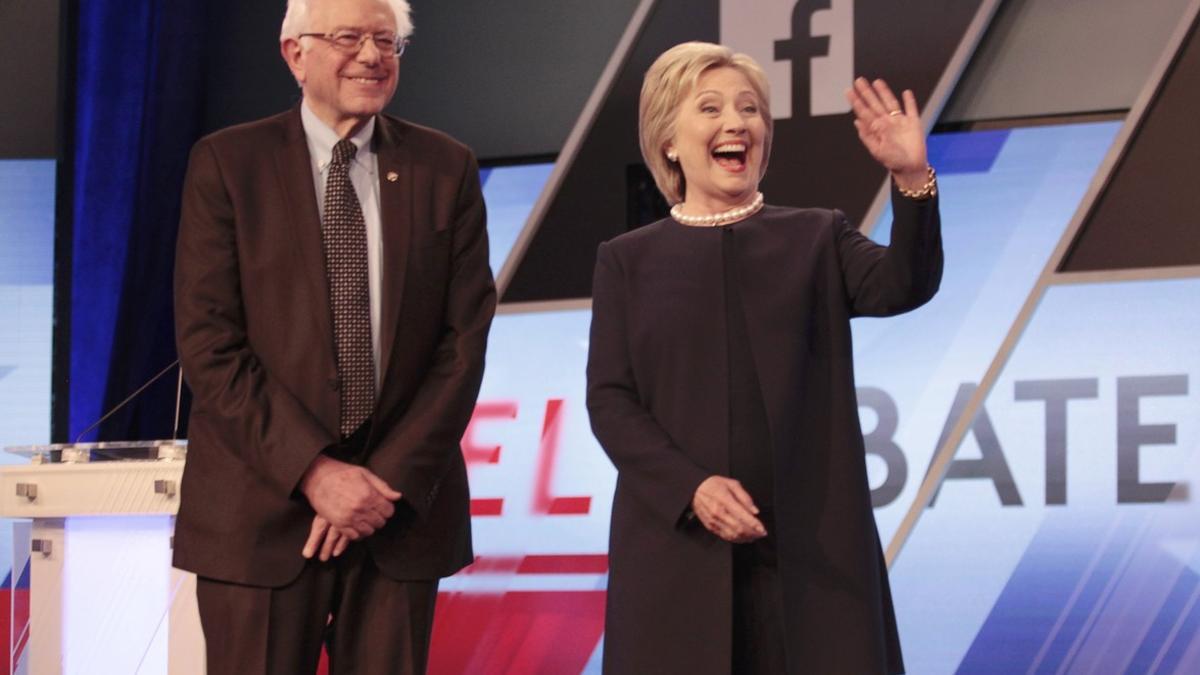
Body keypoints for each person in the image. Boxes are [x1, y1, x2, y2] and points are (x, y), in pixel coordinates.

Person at [586, 41, 942, 674]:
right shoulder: (627, 260)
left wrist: (912, 181)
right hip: (678, 550)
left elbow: (904, 284)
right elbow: (611, 400)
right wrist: (689, 487)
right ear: (668, 139)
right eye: (711, 108)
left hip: (810, 559)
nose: (736, 124)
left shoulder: (815, 235)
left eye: (750, 109)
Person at [172, 0, 495, 672]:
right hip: (257, 515)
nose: (373, 56)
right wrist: (315, 472)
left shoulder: (446, 168)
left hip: (395, 516)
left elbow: (462, 344)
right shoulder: (229, 165)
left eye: (387, 41)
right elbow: (209, 344)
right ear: (295, 54)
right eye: (349, 37)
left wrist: (380, 483)